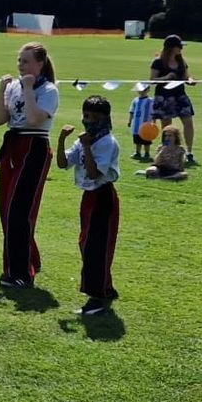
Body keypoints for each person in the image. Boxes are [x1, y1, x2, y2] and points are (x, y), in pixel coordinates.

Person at [0, 42, 58, 288]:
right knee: (6, 210)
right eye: (19, 60)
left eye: (27, 61)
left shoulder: (49, 90)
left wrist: (29, 88)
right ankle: (29, 259)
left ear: (40, 64)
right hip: (13, 145)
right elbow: (0, 119)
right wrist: (1, 91)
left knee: (18, 212)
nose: (21, 65)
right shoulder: (13, 87)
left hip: (34, 148)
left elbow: (33, 119)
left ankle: (20, 274)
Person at [63, 95, 121, 314]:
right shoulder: (83, 139)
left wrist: (87, 148)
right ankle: (105, 286)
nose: (89, 121)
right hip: (89, 197)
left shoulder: (107, 142)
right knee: (86, 243)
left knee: (96, 246)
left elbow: (95, 172)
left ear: (106, 119)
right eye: (86, 116)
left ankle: (96, 297)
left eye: (95, 117)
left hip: (102, 196)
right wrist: (61, 140)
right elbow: (62, 163)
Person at [148, 34, 199, 167]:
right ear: (171, 47)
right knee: (167, 128)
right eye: (179, 46)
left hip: (180, 96)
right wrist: (166, 77)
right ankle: (166, 152)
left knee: (188, 122)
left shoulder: (182, 62)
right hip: (164, 97)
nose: (181, 49)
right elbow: (152, 80)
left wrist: (191, 80)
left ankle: (189, 152)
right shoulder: (158, 62)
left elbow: (186, 77)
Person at [128, 91, 155, 161]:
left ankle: (147, 153)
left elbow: (153, 112)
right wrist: (130, 121)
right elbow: (131, 111)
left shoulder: (150, 101)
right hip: (136, 125)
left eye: (144, 90)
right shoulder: (135, 100)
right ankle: (138, 153)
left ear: (148, 90)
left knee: (146, 140)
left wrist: (154, 122)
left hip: (147, 125)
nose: (142, 91)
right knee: (137, 140)